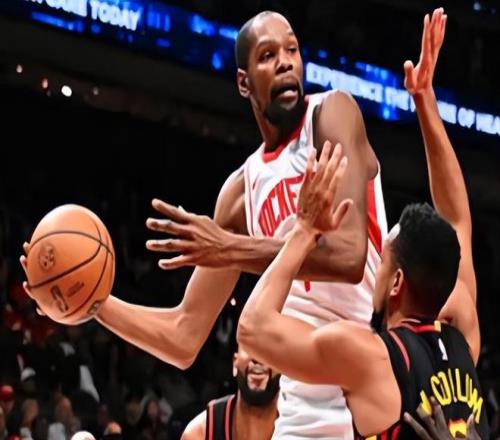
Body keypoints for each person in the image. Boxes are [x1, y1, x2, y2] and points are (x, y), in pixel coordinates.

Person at [21, 9, 385, 438]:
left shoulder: (332, 113)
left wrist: (229, 249)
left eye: (292, 50)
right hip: (304, 406)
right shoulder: (240, 192)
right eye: (268, 55)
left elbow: (349, 257)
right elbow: (184, 336)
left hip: (368, 381)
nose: (286, 62)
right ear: (243, 82)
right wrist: (90, 300)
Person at [237, 9, 489, 439]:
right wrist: (424, 101)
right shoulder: (462, 334)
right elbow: (457, 219)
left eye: (383, 253)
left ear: (395, 283)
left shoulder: (369, 357)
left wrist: (304, 231)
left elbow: (253, 328)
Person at [182, 347, 279, 440]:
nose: (258, 359)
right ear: (235, 363)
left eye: (268, 348)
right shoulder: (200, 433)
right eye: (249, 347)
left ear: (284, 366)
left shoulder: (289, 422)